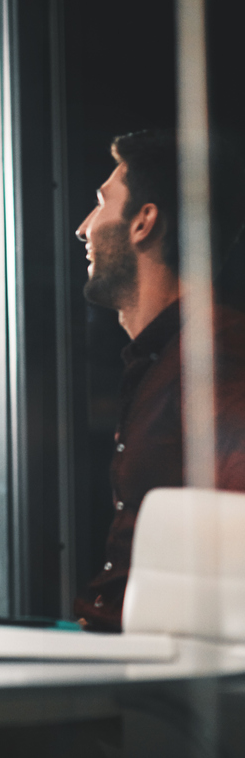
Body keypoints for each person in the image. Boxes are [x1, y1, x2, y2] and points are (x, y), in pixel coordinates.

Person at [72, 130, 245, 632]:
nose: (84, 228)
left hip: (155, 678)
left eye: (102, 203)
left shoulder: (214, 356)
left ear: (144, 222)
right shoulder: (166, 356)